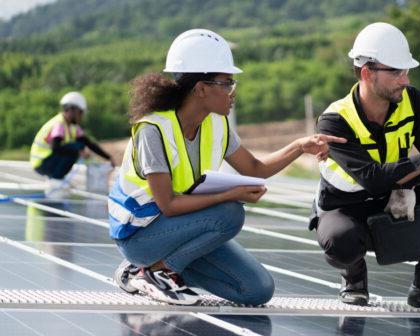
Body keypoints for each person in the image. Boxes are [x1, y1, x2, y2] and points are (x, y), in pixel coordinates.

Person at [108, 29, 344, 306]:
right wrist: (229, 194)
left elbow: (255, 168)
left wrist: (299, 147)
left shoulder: (216, 124)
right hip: (141, 235)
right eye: (227, 83)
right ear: (201, 88)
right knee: (230, 213)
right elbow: (168, 204)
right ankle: (155, 271)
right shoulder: (153, 129)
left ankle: (154, 268)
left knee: (256, 290)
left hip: (183, 229)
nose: (233, 93)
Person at [310, 22, 420, 316]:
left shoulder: (412, 101)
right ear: (367, 73)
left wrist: (408, 185)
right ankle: (353, 276)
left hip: (391, 195)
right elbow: (373, 179)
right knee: (340, 243)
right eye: (395, 72)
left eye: (406, 71)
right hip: (345, 206)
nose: (404, 80)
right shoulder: (335, 121)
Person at [30, 91, 114, 196]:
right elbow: (56, 147)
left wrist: (108, 157)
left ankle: (56, 178)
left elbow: (89, 143)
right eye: (80, 112)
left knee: (79, 145)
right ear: (72, 110)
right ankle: (56, 179)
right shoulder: (59, 124)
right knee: (76, 147)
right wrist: (79, 152)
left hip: (47, 162)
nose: (81, 116)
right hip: (41, 163)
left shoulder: (72, 127)